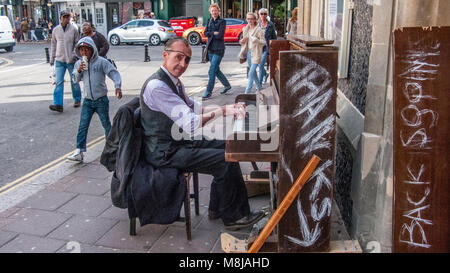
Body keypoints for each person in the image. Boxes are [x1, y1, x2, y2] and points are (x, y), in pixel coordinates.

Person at [140, 37, 264, 230]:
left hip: (177, 144)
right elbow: (191, 123)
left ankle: (217, 208)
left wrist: (228, 106)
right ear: (165, 55)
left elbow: (195, 109)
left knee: (230, 147)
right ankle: (235, 217)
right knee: (224, 160)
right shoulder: (158, 87)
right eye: (179, 57)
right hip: (165, 153)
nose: (183, 64)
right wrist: (223, 112)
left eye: (187, 59)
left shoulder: (174, 83)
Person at [67, 37, 122, 162]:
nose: (84, 53)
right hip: (87, 100)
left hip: (101, 99)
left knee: (106, 124)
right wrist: (79, 70)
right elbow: (75, 79)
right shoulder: (78, 63)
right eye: (82, 50)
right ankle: (79, 151)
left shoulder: (101, 62)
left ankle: (112, 148)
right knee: (83, 125)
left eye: (87, 50)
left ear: (92, 50)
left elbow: (113, 72)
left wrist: (117, 86)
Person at [49, 10, 82, 113]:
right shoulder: (56, 30)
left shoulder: (73, 30)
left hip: (71, 60)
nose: (66, 19)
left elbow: (78, 44)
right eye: (64, 17)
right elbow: (53, 44)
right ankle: (58, 104)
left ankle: (77, 99)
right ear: (60, 18)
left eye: (68, 17)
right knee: (58, 82)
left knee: (74, 80)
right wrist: (52, 58)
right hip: (59, 60)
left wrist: (75, 55)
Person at [202, 3, 232, 100]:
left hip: (219, 49)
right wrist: (213, 32)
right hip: (210, 48)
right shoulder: (209, 20)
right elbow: (205, 33)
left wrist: (212, 34)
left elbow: (220, 35)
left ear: (218, 11)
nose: (214, 12)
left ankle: (208, 91)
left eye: (216, 10)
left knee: (211, 71)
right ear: (210, 12)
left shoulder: (222, 21)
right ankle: (227, 85)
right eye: (212, 11)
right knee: (216, 70)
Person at [239, 12, 265, 94]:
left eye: (251, 19)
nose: (250, 20)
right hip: (249, 53)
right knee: (253, 74)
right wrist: (241, 41)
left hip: (256, 53)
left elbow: (263, 42)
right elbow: (243, 42)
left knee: (250, 73)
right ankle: (260, 89)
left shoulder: (259, 30)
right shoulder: (245, 29)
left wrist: (256, 40)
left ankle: (247, 93)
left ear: (254, 20)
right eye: (248, 19)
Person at [258, 8, 277, 85]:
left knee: (261, 64)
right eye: (261, 14)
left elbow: (274, 37)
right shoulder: (257, 24)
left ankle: (259, 84)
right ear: (259, 15)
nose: (263, 15)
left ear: (267, 15)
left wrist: (273, 46)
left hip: (266, 47)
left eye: (265, 14)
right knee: (259, 64)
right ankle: (265, 74)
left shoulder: (270, 24)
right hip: (258, 47)